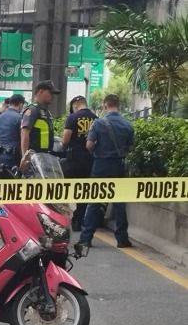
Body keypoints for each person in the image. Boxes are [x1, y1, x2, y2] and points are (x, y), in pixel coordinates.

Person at [76, 94, 134, 251]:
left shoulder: (99, 123)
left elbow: (89, 145)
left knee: (94, 202)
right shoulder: (127, 125)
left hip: (101, 165)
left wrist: (98, 152)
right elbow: (130, 148)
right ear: (118, 105)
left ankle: (85, 239)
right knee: (119, 203)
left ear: (105, 105)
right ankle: (122, 239)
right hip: (119, 166)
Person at [61, 95, 97, 230]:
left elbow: (65, 140)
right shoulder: (95, 118)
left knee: (67, 189)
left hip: (73, 159)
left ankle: (62, 218)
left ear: (75, 106)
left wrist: (63, 147)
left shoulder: (72, 117)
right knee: (84, 190)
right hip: (89, 159)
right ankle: (78, 220)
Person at [20, 80, 59, 157]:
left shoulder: (46, 111)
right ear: (40, 92)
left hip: (46, 157)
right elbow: (24, 134)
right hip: (35, 158)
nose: (52, 96)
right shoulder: (32, 110)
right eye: (50, 93)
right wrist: (25, 157)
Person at [0, 94, 26, 168]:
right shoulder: (20, 118)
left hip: (0, 157)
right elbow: (23, 138)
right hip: (14, 159)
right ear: (20, 104)